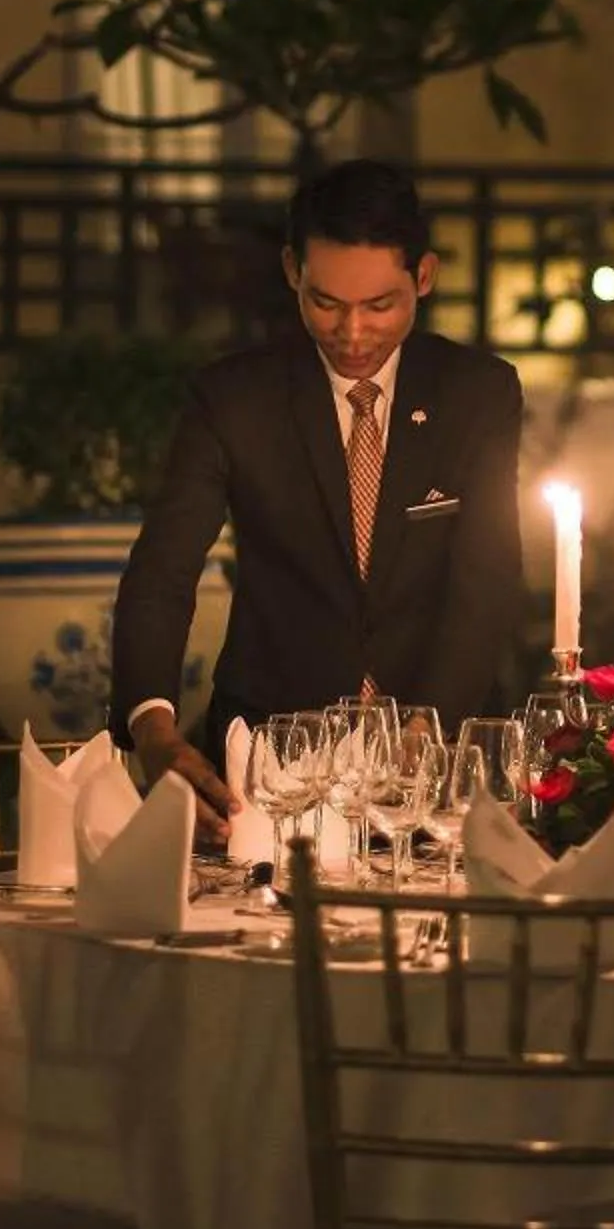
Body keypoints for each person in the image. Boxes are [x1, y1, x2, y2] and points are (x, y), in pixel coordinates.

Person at [108, 159, 524, 828]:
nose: (351, 333)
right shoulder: (235, 399)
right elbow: (164, 568)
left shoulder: (476, 394)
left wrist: (429, 724)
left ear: (424, 276)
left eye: (379, 305)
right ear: (292, 272)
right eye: (325, 302)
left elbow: (488, 577)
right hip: (272, 758)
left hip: (439, 756)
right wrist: (151, 723)